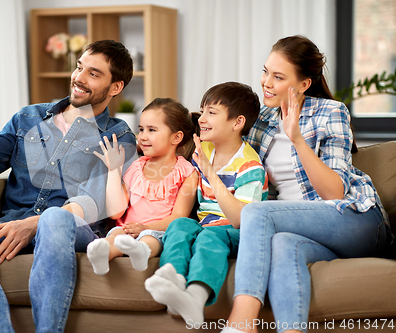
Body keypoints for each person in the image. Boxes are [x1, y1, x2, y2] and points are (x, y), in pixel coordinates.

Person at [0, 40, 138, 332]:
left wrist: (33, 225)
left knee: (54, 218)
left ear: (116, 87)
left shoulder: (118, 134)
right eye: (79, 67)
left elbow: (93, 201)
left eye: (94, 73)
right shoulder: (28, 117)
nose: (79, 78)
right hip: (14, 220)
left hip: (71, 228)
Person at [222, 35, 393, 333]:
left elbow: (334, 193)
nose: (266, 82)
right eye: (265, 72)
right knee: (282, 243)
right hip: (302, 230)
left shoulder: (331, 112)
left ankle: (241, 322)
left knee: (257, 213)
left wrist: (297, 138)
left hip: (355, 219)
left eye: (278, 77)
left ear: (303, 84)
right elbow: (232, 154)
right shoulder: (261, 119)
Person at [144, 82, 268, 326]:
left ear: (237, 123)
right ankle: (173, 280)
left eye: (212, 112)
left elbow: (241, 219)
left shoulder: (250, 166)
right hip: (206, 225)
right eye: (203, 111)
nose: (202, 119)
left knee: (210, 237)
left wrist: (210, 172)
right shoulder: (205, 149)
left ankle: (196, 297)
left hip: (239, 231)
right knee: (179, 225)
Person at [86, 98, 199, 275]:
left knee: (150, 241)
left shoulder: (187, 172)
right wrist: (113, 170)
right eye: (141, 129)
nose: (143, 136)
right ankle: (103, 256)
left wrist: (145, 228)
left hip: (158, 232)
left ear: (176, 137)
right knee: (116, 235)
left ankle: (139, 252)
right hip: (126, 229)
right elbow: (116, 213)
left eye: (151, 130)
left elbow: (178, 217)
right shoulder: (136, 167)